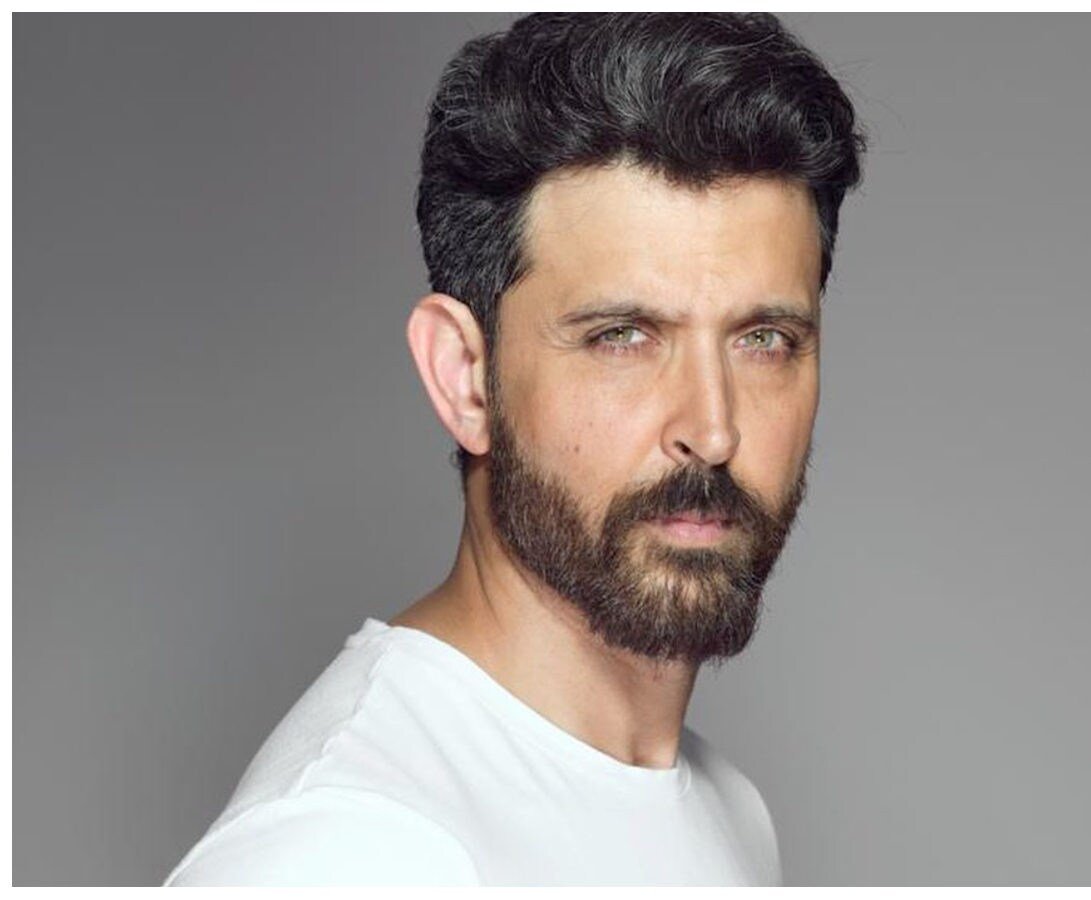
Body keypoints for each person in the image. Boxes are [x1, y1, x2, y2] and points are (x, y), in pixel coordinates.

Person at [164, 11, 865, 886]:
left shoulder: (730, 810)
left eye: (764, 340)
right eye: (621, 337)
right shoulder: (346, 849)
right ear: (465, 378)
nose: (713, 430)